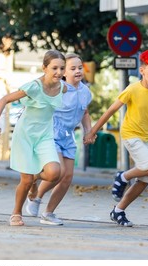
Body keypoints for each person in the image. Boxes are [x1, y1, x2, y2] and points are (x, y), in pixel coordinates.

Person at [84, 50, 148, 227]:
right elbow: (110, 111)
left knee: (144, 180)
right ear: (142, 70)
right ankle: (122, 176)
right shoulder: (132, 89)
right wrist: (92, 131)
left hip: (147, 137)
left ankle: (118, 211)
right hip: (130, 134)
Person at [0, 50, 67, 226]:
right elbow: (4, 100)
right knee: (26, 179)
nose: (59, 72)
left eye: (62, 68)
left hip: (45, 136)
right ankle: (16, 213)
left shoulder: (63, 87)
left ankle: (34, 181)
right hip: (25, 136)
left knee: (55, 173)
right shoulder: (33, 86)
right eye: (54, 68)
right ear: (44, 68)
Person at [24, 53, 95, 225]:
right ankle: (33, 180)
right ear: (64, 72)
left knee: (67, 177)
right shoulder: (58, 88)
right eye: (73, 68)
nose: (78, 71)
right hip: (51, 132)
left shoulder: (86, 92)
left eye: (80, 67)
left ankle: (47, 212)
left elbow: (84, 112)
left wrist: (88, 131)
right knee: (59, 171)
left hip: (68, 135)